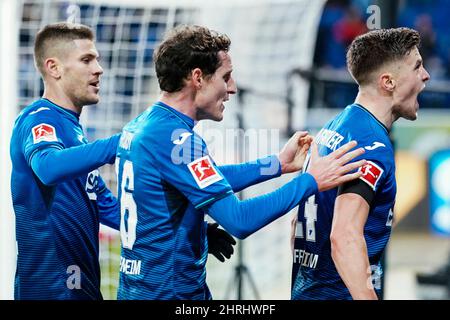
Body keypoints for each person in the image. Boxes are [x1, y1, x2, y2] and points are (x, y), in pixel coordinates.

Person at [115, 24, 366, 300]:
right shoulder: (176, 139)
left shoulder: (142, 127)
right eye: (226, 77)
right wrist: (310, 181)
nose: (232, 88)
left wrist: (277, 165)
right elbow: (239, 220)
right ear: (198, 77)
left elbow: (203, 179)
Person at [10, 22, 235, 300]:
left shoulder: (74, 132)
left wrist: (194, 230)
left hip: (84, 284)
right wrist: (130, 139)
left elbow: (114, 210)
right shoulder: (39, 118)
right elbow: (47, 167)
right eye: (86, 59)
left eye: (97, 59)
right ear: (54, 68)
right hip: (48, 289)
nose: (98, 68)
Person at [291, 27, 430, 300]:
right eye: (417, 66)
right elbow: (344, 237)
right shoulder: (371, 144)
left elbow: (297, 221)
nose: (425, 75)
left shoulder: (333, 128)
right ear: (388, 82)